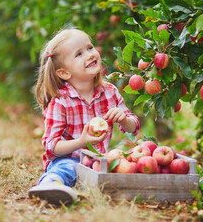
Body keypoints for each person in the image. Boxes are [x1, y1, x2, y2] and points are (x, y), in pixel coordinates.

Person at [28, 28, 140, 206]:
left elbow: (133, 127)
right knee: (68, 168)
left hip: (98, 162)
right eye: (79, 54)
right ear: (64, 73)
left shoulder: (110, 92)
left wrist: (124, 119)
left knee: (119, 167)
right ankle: (50, 185)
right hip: (69, 158)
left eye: (90, 47)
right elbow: (51, 147)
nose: (89, 55)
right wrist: (81, 141)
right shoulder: (60, 101)